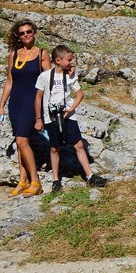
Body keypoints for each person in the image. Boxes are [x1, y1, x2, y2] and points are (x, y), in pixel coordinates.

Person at [35, 45, 107, 193]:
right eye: (69, 60)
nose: (71, 62)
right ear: (58, 60)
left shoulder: (70, 75)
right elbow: (38, 98)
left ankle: (90, 176)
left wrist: (71, 109)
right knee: (55, 147)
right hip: (51, 117)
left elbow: (80, 94)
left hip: (68, 114)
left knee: (79, 145)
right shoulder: (45, 76)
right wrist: (38, 119)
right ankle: (56, 180)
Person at [0, 19, 50, 197]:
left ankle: (35, 181)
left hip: (32, 101)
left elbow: (48, 82)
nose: (26, 35)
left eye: (29, 31)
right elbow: (10, 81)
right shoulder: (14, 55)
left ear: (34, 33)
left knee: (21, 141)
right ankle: (23, 180)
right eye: (22, 33)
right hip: (16, 102)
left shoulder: (42, 53)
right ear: (18, 36)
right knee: (20, 143)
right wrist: (2, 105)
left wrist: (44, 110)